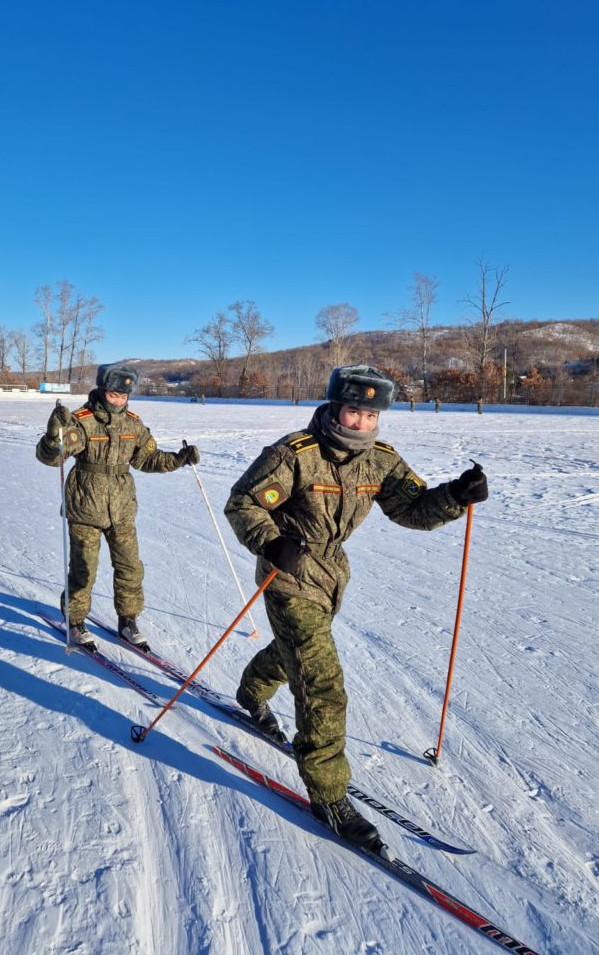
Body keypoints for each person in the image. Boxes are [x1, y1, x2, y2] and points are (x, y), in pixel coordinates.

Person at [224, 365, 488, 851]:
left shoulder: (381, 461)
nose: (361, 421)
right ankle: (328, 794)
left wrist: (454, 496)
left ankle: (250, 692)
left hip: (331, 578)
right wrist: (270, 540)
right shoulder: (294, 454)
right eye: (353, 410)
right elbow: (243, 502)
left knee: (295, 656)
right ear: (333, 407)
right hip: (288, 576)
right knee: (322, 684)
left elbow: (411, 508)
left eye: (370, 413)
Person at [35, 362, 200, 652]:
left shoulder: (133, 424)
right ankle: (75, 621)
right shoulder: (82, 421)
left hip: (122, 507)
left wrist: (179, 459)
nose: (119, 401)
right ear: (102, 390)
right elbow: (52, 458)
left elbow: (147, 459)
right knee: (84, 570)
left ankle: (128, 620)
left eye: (124, 396)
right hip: (86, 505)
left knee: (130, 568)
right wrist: (52, 438)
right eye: (114, 395)